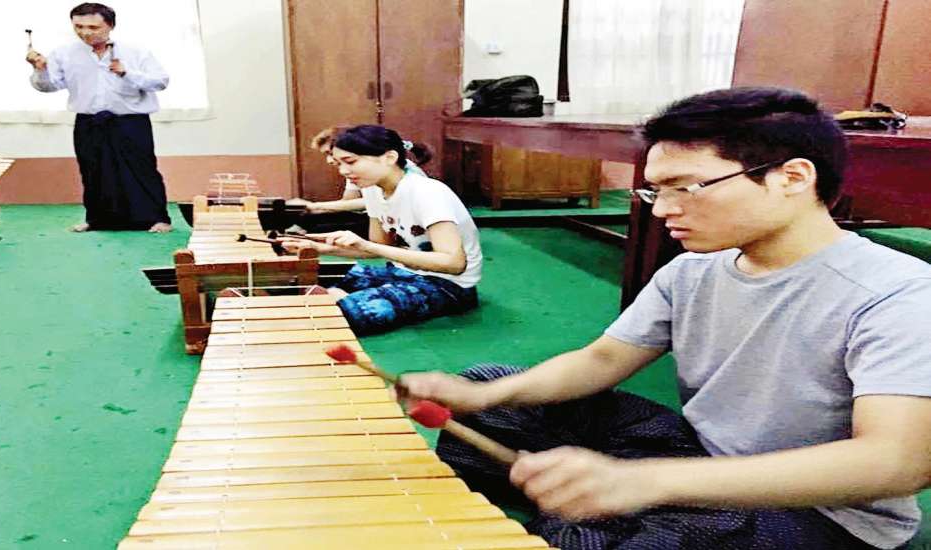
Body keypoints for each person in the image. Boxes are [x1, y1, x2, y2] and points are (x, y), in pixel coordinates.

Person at [399, 87, 931, 549]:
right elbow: (603, 359)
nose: (661, 209)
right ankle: (594, 508)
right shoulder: (692, 271)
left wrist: (648, 481)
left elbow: (897, 462)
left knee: (608, 535)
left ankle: (602, 517)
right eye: (656, 189)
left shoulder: (898, 293)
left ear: (791, 177)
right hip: (699, 452)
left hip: (819, 512)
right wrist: (482, 398)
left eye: (685, 187)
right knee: (490, 388)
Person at [281, 124, 482, 335]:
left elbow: (453, 263)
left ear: (389, 157)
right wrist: (320, 248)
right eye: (339, 164)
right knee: (297, 276)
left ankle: (341, 298)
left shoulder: (427, 192)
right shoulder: (373, 190)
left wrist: (368, 246)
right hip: (400, 272)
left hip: (447, 285)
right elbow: (378, 246)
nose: (343, 171)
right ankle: (338, 295)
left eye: (350, 162)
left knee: (347, 315)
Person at [26, 2, 172, 233]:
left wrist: (127, 72)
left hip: (130, 121)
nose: (85, 32)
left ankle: (157, 219)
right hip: (88, 121)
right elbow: (48, 86)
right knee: (92, 171)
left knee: (141, 170)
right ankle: (97, 220)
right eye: (79, 27)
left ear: (110, 25)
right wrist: (40, 69)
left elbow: (161, 81)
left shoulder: (136, 52)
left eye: (93, 27)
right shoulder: (64, 53)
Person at [288, 125, 431, 214]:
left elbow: (370, 203)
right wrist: (311, 209)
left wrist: (315, 206)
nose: (329, 161)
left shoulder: (419, 186)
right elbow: (349, 202)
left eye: (330, 153)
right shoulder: (358, 174)